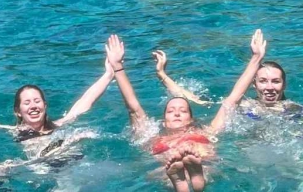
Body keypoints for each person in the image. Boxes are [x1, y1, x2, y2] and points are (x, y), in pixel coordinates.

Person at [109, 32, 266, 191]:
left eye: (183, 111)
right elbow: (133, 108)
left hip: (203, 164)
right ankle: (185, 181)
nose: (177, 113)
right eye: (171, 111)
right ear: (163, 121)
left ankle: (191, 179)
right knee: (163, 170)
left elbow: (233, 99)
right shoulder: (150, 136)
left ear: (191, 119)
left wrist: (256, 58)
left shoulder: (207, 131)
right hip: (168, 167)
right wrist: (117, 66)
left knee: (204, 165)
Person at [153, 43, 303, 117]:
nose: (269, 87)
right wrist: (162, 74)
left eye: (275, 81)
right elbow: (194, 101)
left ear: (284, 85)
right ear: (254, 84)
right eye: (263, 81)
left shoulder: (295, 110)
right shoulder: (243, 105)